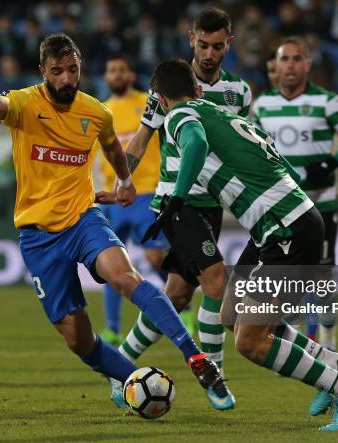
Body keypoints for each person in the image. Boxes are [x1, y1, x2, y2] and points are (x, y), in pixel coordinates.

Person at [0, 33, 223, 409]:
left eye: (73, 69)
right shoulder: (23, 103)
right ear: (43, 72)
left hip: (83, 217)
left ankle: (194, 355)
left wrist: (125, 182)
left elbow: (114, 147)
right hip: (38, 236)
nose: (67, 79)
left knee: (126, 276)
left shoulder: (95, 111)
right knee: (78, 339)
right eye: (58, 72)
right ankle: (126, 377)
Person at [146, 58, 338, 432]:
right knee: (230, 312)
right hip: (281, 223)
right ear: (197, 88)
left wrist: (177, 198)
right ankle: (333, 363)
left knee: (250, 342)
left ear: (160, 97)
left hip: (286, 229)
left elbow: (196, 144)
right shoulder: (219, 112)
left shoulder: (179, 115)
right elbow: (272, 154)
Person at [111, 7, 251, 410]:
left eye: (218, 46)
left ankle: (119, 365)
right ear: (191, 39)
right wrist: (125, 182)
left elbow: (242, 142)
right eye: (203, 45)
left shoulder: (239, 93)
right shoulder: (169, 87)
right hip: (179, 201)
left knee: (176, 295)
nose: (209, 53)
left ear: (230, 43)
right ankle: (214, 375)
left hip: (213, 204)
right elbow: (138, 142)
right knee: (216, 281)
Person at [252, 37, 338, 351]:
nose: (290, 65)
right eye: (284, 59)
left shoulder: (327, 101)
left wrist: (332, 162)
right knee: (288, 276)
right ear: (275, 66)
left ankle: (329, 337)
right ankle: (294, 345)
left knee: (321, 274)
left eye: (297, 59)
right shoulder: (262, 106)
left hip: (320, 204)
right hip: (281, 206)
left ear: (307, 64)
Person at [92, 54, 168, 346]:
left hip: (146, 189)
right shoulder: (102, 110)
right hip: (113, 196)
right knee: (110, 263)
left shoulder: (147, 104)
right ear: (107, 77)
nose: (117, 73)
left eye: (122, 68)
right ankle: (112, 327)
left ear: (131, 74)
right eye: (112, 69)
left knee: (155, 256)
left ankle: (183, 305)